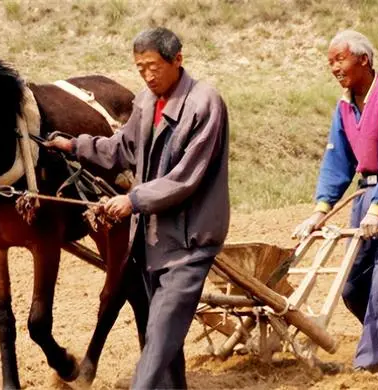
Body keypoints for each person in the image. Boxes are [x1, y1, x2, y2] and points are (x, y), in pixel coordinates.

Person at [47, 27, 230, 388]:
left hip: (191, 241)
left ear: (177, 59)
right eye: (139, 67)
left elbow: (184, 178)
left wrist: (131, 200)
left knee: (158, 338)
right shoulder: (146, 103)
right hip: (153, 240)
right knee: (165, 344)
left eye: (153, 66)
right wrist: (74, 146)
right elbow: (121, 149)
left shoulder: (204, 103)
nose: (147, 75)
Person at [293, 29, 378, 372]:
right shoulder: (345, 104)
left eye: (340, 59)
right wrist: (320, 210)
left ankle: (367, 366)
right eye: (330, 61)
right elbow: (337, 161)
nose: (334, 67)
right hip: (366, 195)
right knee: (352, 287)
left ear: (364, 59)